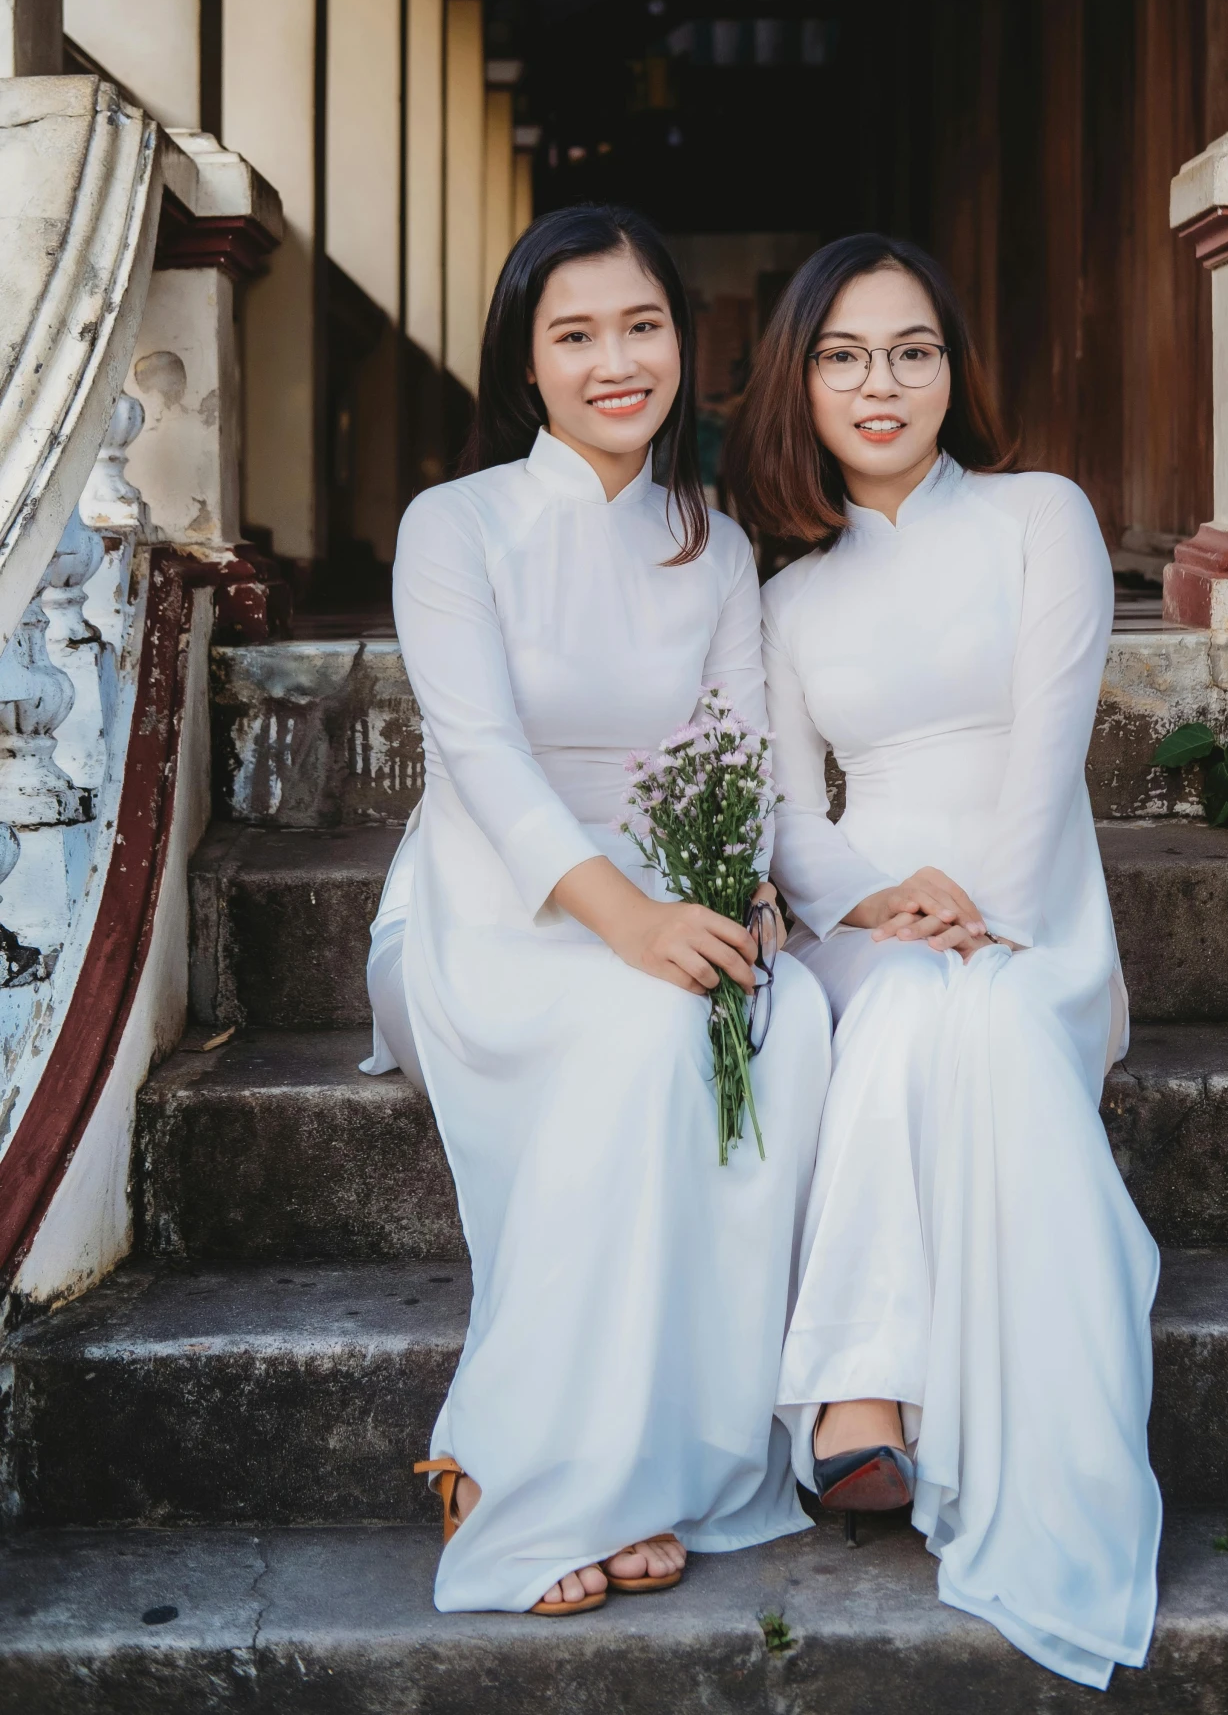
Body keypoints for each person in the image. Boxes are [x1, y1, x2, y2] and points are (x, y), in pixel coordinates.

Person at [364, 205, 831, 1618]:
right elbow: (482, 761)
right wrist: (623, 919)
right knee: (642, 1033)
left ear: (684, 345)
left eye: (642, 326)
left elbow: (741, 750)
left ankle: (647, 1467)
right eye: (576, 334)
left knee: (785, 1013)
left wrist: (736, 886)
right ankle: (506, 1468)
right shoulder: (455, 526)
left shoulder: (717, 543)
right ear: (527, 362)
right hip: (490, 898)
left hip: (666, 880)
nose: (615, 360)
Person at [722, 234, 1160, 1688]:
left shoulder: (1042, 516)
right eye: (842, 355)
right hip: (872, 915)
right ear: (799, 383)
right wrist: (874, 900)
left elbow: (1049, 748)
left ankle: (859, 1393)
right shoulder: (786, 597)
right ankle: (861, 1396)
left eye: (912, 349)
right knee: (904, 1000)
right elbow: (789, 813)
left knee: (956, 1011)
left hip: (1031, 899)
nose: (881, 382)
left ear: (953, 369)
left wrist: (983, 904)